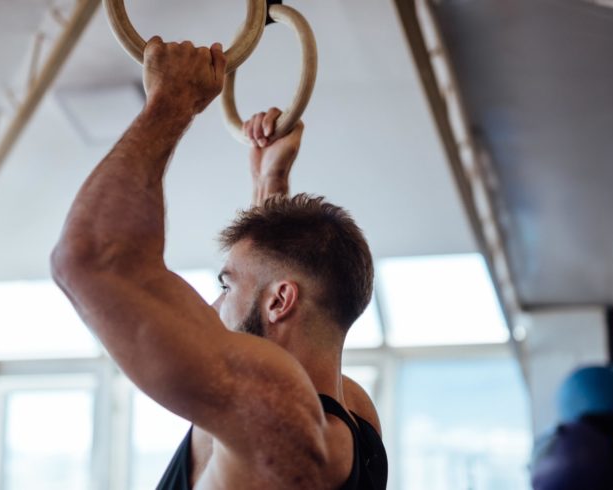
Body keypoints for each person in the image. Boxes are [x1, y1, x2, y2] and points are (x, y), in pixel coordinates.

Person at [51, 36, 387, 489]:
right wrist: (271, 182)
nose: (213, 305)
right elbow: (267, 329)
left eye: (225, 286)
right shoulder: (355, 419)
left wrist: (170, 105)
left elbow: (88, 259)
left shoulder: (275, 417)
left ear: (280, 302)